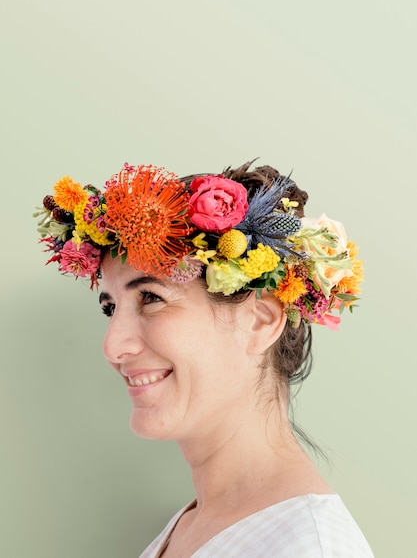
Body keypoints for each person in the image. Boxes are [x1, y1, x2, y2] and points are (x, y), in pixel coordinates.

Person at [35, 160, 374, 557]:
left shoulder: (309, 548)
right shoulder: (192, 524)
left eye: (151, 298)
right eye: (110, 308)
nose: (112, 348)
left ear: (260, 322)